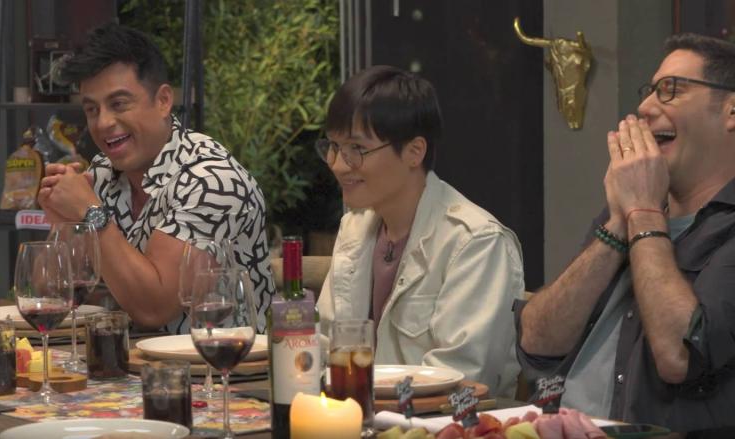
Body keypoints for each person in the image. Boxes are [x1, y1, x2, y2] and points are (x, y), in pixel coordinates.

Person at [516, 33, 735, 434]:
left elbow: (680, 358)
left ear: (731, 110)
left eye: (671, 90)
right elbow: (537, 341)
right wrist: (619, 223)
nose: (645, 107)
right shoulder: (628, 208)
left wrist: (644, 213)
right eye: (649, 91)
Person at [37, 23, 274, 333]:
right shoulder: (104, 172)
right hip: (129, 361)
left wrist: (90, 214)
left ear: (163, 101)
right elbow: (47, 294)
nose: (103, 122)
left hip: (221, 361)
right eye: (92, 109)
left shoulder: (213, 181)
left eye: (118, 104)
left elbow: (154, 308)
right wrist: (63, 223)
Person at [316, 65, 524, 397]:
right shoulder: (354, 229)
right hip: (357, 415)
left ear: (414, 151)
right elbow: (325, 350)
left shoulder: (475, 242)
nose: (339, 165)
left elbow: (461, 378)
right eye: (334, 147)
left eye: (357, 149)